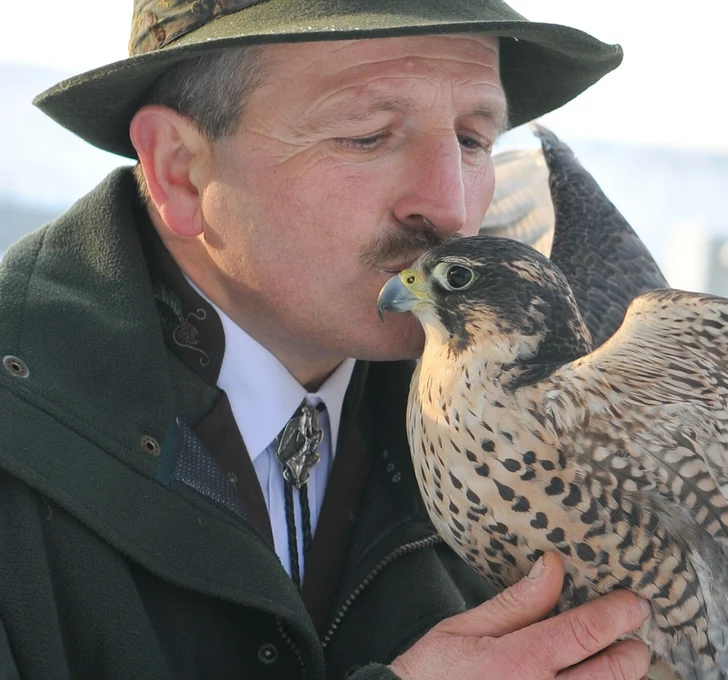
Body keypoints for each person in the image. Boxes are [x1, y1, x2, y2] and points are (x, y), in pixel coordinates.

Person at [0, 1, 654, 678]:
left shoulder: (570, 424)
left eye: (473, 141)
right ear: (179, 170)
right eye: (369, 135)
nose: (452, 206)